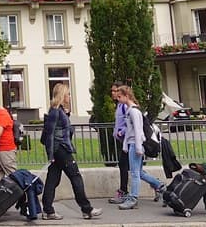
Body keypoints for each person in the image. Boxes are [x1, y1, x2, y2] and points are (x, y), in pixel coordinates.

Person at [41, 83, 102, 220]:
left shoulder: (59, 111)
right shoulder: (55, 112)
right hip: (61, 149)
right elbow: (49, 134)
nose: (69, 96)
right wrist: (50, 155)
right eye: (68, 94)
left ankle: (48, 210)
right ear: (62, 95)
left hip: (60, 148)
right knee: (76, 177)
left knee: (53, 179)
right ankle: (86, 209)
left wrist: (66, 115)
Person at [115, 86, 165, 210]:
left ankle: (133, 198)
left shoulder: (133, 112)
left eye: (120, 96)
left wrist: (137, 147)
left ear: (127, 96)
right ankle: (160, 186)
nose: (118, 99)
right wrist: (126, 145)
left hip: (135, 144)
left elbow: (137, 130)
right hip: (132, 144)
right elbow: (130, 130)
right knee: (139, 172)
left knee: (135, 173)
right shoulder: (130, 111)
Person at [108, 81, 131, 204]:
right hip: (124, 141)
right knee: (135, 169)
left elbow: (131, 124)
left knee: (124, 166)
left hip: (128, 142)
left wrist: (121, 132)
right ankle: (158, 185)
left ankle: (123, 192)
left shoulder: (125, 106)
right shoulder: (119, 106)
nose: (113, 93)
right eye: (112, 91)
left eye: (115, 91)